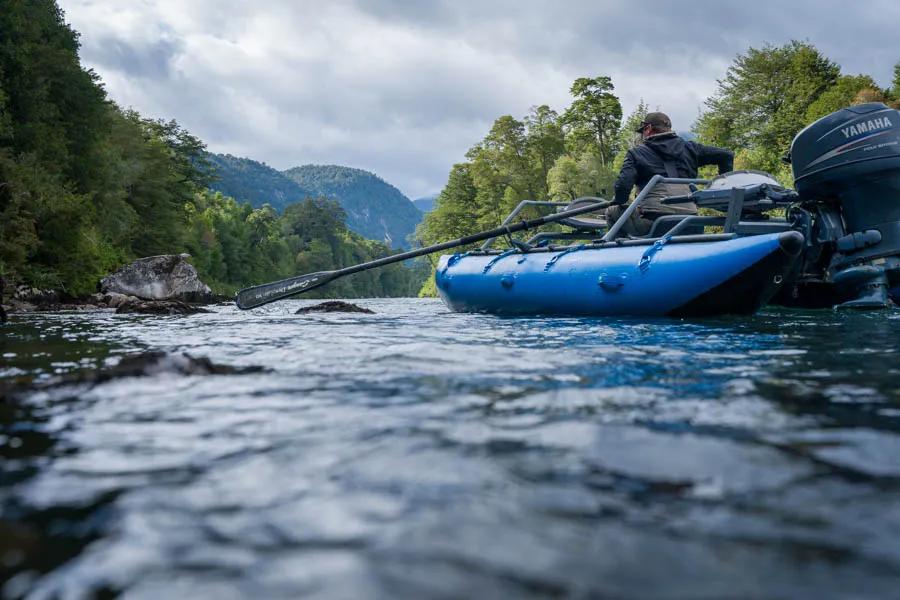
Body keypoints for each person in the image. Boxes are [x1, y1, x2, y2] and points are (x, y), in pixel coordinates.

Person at [607, 111, 733, 236]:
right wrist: (722, 190)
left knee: (613, 211)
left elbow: (622, 187)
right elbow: (726, 156)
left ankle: (624, 247)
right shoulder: (692, 149)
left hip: (655, 225)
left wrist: (619, 200)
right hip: (692, 224)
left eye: (643, 131)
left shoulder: (636, 154)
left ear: (648, 128)